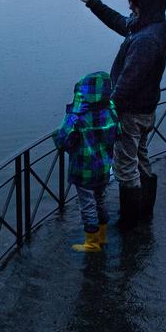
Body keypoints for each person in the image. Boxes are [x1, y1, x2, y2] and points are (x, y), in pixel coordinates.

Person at [71, 0, 166, 230]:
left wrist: (105, 111)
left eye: (133, 3)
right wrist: (92, 3)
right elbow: (120, 23)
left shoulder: (147, 39)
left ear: (142, 4)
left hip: (131, 113)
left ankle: (131, 224)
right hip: (145, 108)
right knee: (141, 158)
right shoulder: (151, 25)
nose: (130, 8)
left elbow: (127, 83)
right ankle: (144, 212)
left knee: (126, 167)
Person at [52, 71, 120, 252]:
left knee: (87, 206)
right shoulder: (111, 111)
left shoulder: (79, 117)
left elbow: (62, 139)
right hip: (104, 168)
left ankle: (92, 244)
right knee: (100, 201)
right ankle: (102, 238)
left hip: (84, 169)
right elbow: (118, 134)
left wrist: (72, 115)